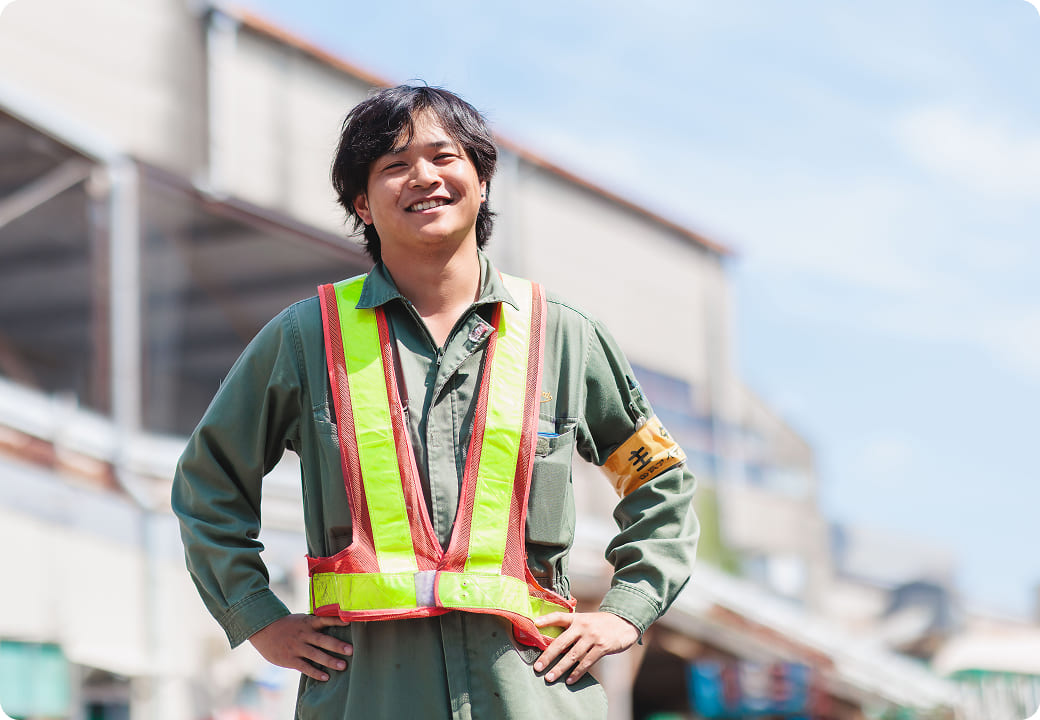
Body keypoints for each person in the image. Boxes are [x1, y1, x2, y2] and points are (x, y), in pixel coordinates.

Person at [172, 85, 698, 719]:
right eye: (394, 165)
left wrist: (626, 610)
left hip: (531, 694)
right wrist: (258, 618)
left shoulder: (562, 335)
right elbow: (210, 483)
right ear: (362, 204)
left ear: (482, 180)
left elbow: (660, 482)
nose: (423, 176)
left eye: (444, 156)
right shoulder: (307, 337)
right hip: (367, 694)